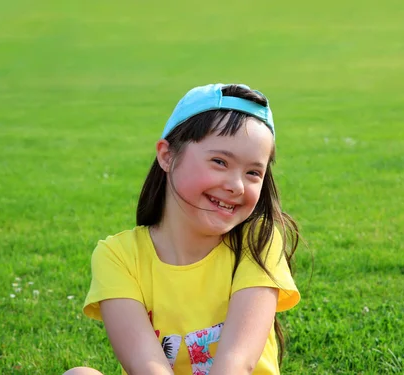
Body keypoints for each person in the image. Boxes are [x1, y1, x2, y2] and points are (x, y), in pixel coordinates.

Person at [64, 83, 301, 375]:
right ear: (167, 155)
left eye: (253, 172)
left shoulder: (257, 242)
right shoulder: (118, 256)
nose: (236, 185)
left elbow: (238, 362)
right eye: (220, 162)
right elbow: (145, 364)